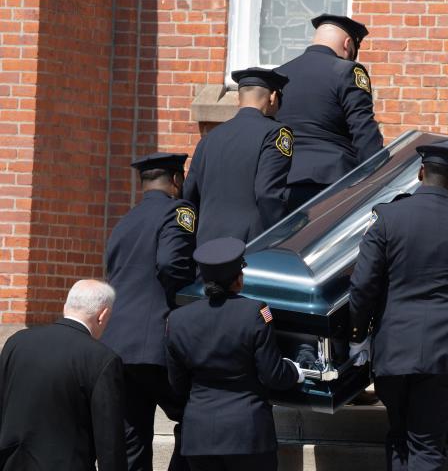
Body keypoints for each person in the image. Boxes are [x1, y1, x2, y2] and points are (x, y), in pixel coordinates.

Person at [349, 143, 448, 471]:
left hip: (394, 345)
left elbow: (363, 285)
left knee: (398, 437)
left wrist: (358, 335)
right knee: (426, 445)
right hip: (444, 349)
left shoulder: (386, 218)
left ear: (421, 172)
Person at [165, 237, 304, 471]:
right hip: (247, 434)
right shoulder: (259, 311)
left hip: (199, 436)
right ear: (238, 279)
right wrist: (295, 371)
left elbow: (177, 384)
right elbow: (272, 374)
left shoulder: (177, 320)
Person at [101, 152, 196, 471]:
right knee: (197, 416)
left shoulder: (125, 221)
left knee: (132, 437)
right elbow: (172, 264)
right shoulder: (179, 210)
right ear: (177, 180)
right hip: (156, 340)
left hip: (116, 343)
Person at [0, 280, 125, 471]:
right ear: (103, 315)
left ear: (66, 306)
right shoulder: (102, 359)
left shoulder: (16, 342)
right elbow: (109, 441)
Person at [277, 14, 383, 210]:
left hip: (280, 182)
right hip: (329, 183)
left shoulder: (278, 74)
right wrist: (379, 175)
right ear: (348, 43)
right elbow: (363, 130)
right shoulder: (347, 71)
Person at [183, 67, 293, 244]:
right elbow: (267, 193)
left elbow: (188, 196)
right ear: (273, 97)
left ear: (237, 99)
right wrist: (283, 235)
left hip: (206, 247)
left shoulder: (209, 139)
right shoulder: (276, 133)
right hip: (250, 247)